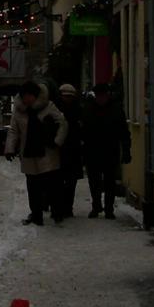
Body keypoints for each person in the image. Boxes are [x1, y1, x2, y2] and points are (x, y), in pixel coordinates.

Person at [5, 80, 67, 226]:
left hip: (48, 153)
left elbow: (63, 124)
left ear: (35, 95)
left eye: (29, 96)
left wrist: (57, 141)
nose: (26, 99)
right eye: (24, 96)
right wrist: (9, 148)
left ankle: (57, 211)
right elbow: (14, 130)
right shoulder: (19, 110)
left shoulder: (48, 106)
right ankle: (36, 214)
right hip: (28, 153)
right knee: (33, 187)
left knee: (52, 185)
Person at [81, 79, 132, 219]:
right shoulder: (89, 110)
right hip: (93, 151)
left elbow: (124, 132)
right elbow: (83, 131)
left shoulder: (116, 110)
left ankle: (109, 208)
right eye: (99, 96)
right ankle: (96, 206)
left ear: (107, 95)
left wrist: (126, 150)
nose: (101, 99)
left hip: (110, 150)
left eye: (103, 96)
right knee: (94, 181)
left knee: (109, 181)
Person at [52, 83, 84, 219]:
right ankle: (59, 207)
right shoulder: (56, 110)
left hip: (71, 149)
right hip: (60, 149)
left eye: (69, 96)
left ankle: (67, 207)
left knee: (70, 181)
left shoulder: (77, 110)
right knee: (59, 181)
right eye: (66, 96)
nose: (67, 99)